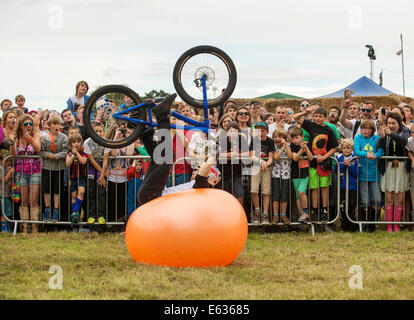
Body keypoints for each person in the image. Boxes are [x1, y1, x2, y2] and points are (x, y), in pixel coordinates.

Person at [136, 94, 221, 206]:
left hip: (152, 195)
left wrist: (213, 156)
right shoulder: (197, 186)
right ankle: (145, 134)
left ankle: (162, 116)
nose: (196, 171)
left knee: (168, 158)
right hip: (150, 194)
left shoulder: (203, 187)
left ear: (212, 181)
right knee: (159, 159)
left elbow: (203, 172)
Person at [292, 106, 339, 223]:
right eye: (315, 116)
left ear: (325, 117)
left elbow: (334, 147)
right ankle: (314, 210)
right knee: (314, 188)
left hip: (324, 163)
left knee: (324, 188)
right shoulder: (311, 125)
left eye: (320, 116)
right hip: (312, 163)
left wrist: (324, 157)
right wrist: (305, 112)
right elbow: (295, 117)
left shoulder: (329, 130)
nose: (317, 118)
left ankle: (324, 209)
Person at [377, 112, 410, 232]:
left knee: (399, 197)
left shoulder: (405, 131)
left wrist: (392, 134)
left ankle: (396, 225)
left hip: (401, 166)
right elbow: (379, 145)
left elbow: (405, 141)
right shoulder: (385, 131)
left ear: (399, 123)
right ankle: (388, 225)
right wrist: (382, 135)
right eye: (389, 123)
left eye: (393, 123)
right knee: (389, 196)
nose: (390, 125)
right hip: (388, 166)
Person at [9, 114, 42, 233]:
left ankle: (34, 228)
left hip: (35, 171)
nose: (28, 126)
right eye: (26, 124)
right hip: (21, 171)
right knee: (23, 200)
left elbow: (37, 148)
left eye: (30, 124)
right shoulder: (16, 136)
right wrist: (12, 142)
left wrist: (30, 138)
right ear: (21, 125)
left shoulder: (36, 134)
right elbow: (13, 154)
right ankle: (24, 228)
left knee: (33, 200)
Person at [99, 125, 135, 224]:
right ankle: (111, 223)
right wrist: (116, 137)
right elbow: (114, 153)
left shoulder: (128, 143)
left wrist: (129, 137)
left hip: (124, 179)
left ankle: (120, 223)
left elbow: (129, 154)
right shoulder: (110, 142)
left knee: (122, 202)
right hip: (112, 178)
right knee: (112, 202)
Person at [353, 119, 384, 232]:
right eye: (363, 128)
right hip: (362, 174)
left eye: (367, 128)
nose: (364, 130)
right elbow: (356, 151)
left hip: (374, 174)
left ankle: (373, 223)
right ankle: (365, 224)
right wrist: (367, 154)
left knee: (377, 199)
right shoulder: (358, 138)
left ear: (372, 130)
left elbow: (381, 152)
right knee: (364, 200)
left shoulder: (377, 139)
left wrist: (374, 156)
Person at [39, 115, 69, 223]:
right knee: (46, 189)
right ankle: (47, 209)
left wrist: (56, 156)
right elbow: (41, 151)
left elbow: (65, 151)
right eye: (54, 124)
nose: (56, 126)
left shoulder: (63, 137)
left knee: (57, 190)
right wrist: (49, 155)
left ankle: (56, 210)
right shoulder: (44, 137)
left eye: (58, 124)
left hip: (59, 168)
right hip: (47, 167)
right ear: (49, 125)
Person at [217, 121, 249, 207]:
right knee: (224, 197)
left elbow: (247, 153)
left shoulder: (241, 140)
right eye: (231, 131)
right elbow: (218, 154)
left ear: (238, 132)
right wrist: (229, 155)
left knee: (240, 195)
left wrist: (238, 155)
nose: (233, 133)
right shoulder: (222, 140)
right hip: (223, 174)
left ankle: (239, 214)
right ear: (227, 132)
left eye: (235, 131)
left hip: (236, 174)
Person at [249, 122, 275, 224]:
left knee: (266, 192)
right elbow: (252, 155)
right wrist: (261, 162)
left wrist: (266, 164)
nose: (260, 133)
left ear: (267, 132)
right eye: (258, 130)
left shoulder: (270, 141)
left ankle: (265, 214)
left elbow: (271, 157)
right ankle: (257, 211)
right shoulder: (254, 140)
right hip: (256, 167)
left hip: (266, 169)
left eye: (263, 131)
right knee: (254, 190)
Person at [287, 126, 313, 224]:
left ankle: (306, 212)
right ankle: (301, 213)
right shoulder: (292, 146)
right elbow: (295, 158)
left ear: (302, 137)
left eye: (297, 138)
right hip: (295, 174)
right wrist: (301, 151)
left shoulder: (307, 145)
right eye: (293, 138)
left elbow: (310, 158)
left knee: (301, 192)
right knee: (298, 196)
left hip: (304, 173)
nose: (295, 140)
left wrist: (306, 149)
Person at [83, 122, 107, 226]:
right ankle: (91, 215)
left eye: (100, 131)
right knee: (91, 192)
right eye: (96, 131)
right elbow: (91, 159)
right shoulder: (87, 142)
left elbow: (106, 159)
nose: (98, 133)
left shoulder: (106, 142)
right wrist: (103, 172)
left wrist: (102, 175)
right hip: (92, 168)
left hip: (102, 167)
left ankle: (101, 215)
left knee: (101, 193)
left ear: (103, 132)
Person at [336, 139, 359, 232]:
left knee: (352, 206)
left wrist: (350, 165)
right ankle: (344, 225)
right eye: (344, 148)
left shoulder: (355, 158)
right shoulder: (339, 158)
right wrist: (344, 165)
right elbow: (336, 170)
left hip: (352, 187)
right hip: (342, 187)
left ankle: (352, 226)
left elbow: (356, 173)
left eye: (348, 148)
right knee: (343, 206)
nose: (346, 150)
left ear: (352, 149)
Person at [66, 133, 87, 226]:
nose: (76, 144)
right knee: (74, 195)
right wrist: (73, 155)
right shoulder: (69, 153)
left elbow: (83, 161)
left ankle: (75, 212)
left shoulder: (83, 153)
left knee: (81, 192)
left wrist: (77, 153)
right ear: (71, 144)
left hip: (81, 177)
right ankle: (75, 216)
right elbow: (68, 164)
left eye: (78, 142)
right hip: (73, 177)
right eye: (74, 142)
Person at [271, 129, 290, 225]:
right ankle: (275, 215)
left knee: (284, 196)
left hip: (286, 174)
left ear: (284, 138)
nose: (277, 138)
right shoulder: (273, 146)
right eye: (275, 136)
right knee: (276, 196)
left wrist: (286, 145)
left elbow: (290, 156)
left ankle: (283, 214)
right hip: (275, 174)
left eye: (280, 137)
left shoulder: (288, 146)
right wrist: (282, 148)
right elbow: (276, 157)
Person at [0, 150, 14, 233]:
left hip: (7, 194)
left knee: (7, 212)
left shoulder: (9, 168)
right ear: (1, 160)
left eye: (10, 161)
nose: (9, 163)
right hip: (1, 194)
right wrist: (10, 173)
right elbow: (3, 181)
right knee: (3, 212)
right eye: (7, 160)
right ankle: (4, 228)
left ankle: (8, 227)